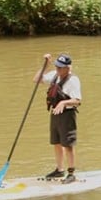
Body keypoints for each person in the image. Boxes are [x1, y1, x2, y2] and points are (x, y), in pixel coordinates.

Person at [33, 52, 82, 184]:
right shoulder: (55, 75)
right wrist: (45, 65)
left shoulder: (73, 80)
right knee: (56, 142)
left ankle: (71, 174)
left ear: (68, 68)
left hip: (67, 115)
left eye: (61, 68)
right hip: (55, 113)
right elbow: (36, 80)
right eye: (56, 67)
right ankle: (60, 170)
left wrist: (63, 103)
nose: (58, 70)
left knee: (68, 145)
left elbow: (77, 100)